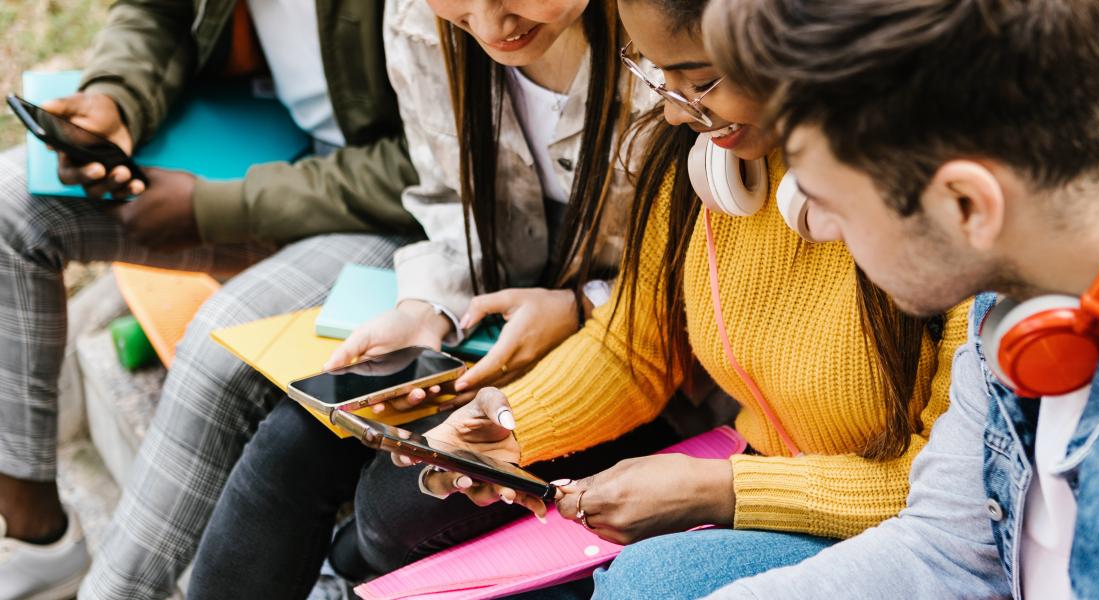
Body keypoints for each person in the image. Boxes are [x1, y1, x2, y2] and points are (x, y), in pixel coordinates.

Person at [405, 0, 971, 596]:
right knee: (403, 503)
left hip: (900, 525)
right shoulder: (703, 165)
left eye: (701, 82)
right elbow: (632, 347)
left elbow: (953, 497)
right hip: (757, 472)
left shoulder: (951, 211)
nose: (675, 111)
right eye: (656, 74)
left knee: (646, 583)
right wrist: (511, 429)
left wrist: (719, 490)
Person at [702, 0, 1099, 597]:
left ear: (966, 204)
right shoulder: (1029, 269)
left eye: (832, 199)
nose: (824, 227)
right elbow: (946, 551)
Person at [184, 0, 678, 596]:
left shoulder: (669, 47)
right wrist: (428, 308)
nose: (493, 27)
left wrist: (583, 306)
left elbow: (700, 276)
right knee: (296, 440)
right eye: (462, 7)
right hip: (492, 319)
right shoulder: (421, 22)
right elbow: (446, 195)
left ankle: (347, 568)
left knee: (396, 505)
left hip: (639, 352)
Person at [0, 1, 425, 598]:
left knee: (220, 341)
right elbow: (158, 11)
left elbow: (437, 160)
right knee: (10, 206)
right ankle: (37, 537)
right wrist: (117, 96)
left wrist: (214, 209)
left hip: (400, 209)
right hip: (267, 138)